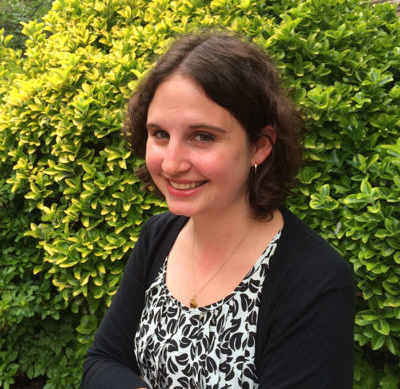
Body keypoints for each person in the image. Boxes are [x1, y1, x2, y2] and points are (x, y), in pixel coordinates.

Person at [82, 32, 354, 389]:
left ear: (259, 146)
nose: (172, 163)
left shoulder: (315, 280)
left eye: (203, 136)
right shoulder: (159, 236)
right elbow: (102, 362)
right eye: (160, 133)